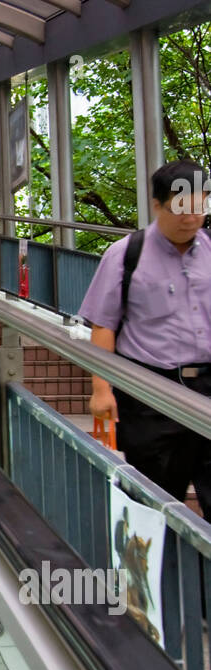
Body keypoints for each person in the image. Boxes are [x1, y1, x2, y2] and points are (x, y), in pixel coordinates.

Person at [79, 159, 211, 518]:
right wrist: (101, 389)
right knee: (152, 505)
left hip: (208, 388)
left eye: (199, 207)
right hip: (152, 395)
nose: (190, 218)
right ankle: (154, 573)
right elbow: (103, 326)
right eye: (179, 208)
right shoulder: (125, 255)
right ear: (156, 205)